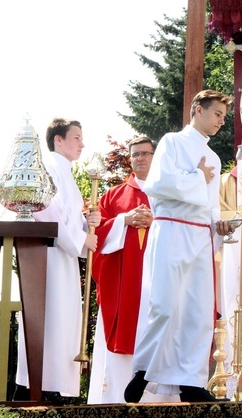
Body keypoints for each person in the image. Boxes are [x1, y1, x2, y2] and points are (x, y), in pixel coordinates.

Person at [124, 90, 235, 403]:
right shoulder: (172, 142)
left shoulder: (213, 158)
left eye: (224, 117)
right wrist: (198, 177)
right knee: (164, 305)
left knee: (198, 312)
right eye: (216, 114)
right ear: (198, 110)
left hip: (200, 236)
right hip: (172, 229)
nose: (220, 122)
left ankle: (191, 382)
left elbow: (211, 206)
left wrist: (220, 226)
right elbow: (160, 185)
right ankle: (142, 372)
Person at [15, 118, 100, 401]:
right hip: (48, 254)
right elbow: (47, 211)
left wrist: (87, 223)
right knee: (51, 317)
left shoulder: (64, 171)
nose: (82, 144)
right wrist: (80, 239)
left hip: (61, 255)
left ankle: (50, 386)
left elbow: (66, 216)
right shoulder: (49, 167)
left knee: (62, 318)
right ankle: (38, 387)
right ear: (58, 140)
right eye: (76, 137)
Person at [87, 137, 177, 404]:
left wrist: (157, 220)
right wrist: (123, 221)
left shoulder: (169, 193)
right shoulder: (113, 196)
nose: (140, 158)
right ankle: (115, 399)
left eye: (146, 154)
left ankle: (161, 403)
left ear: (155, 156)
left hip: (160, 282)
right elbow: (96, 239)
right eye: (135, 154)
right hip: (123, 286)